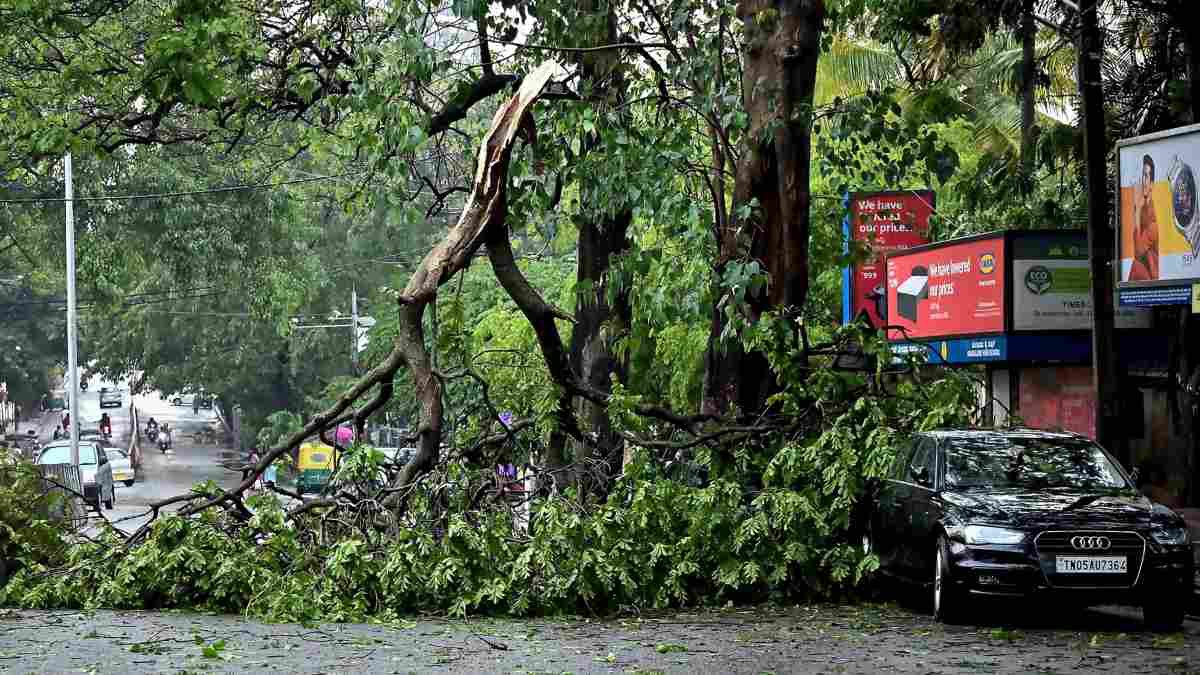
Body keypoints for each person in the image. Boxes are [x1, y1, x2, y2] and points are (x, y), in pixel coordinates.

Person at [1129, 154, 1161, 281]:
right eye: (1143, 175)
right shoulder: (1143, 209)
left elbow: (1138, 251)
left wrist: (1137, 207)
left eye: (1146, 176)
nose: (1143, 181)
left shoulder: (1154, 221)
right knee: (1136, 267)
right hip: (1143, 275)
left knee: (1136, 266)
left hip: (1151, 279)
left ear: (1152, 184)